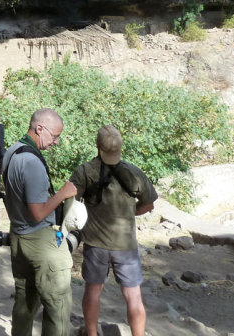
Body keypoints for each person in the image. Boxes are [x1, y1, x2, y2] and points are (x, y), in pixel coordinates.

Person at [69, 125, 158, 336]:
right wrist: (130, 212)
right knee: (133, 296)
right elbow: (149, 205)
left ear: (97, 146)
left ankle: (91, 334)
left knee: (93, 291)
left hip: (95, 244)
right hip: (125, 246)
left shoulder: (85, 171)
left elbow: (71, 202)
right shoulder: (134, 173)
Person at [1, 108, 78, 336]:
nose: (55, 142)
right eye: (54, 136)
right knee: (58, 306)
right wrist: (63, 193)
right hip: (40, 240)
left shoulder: (12, 151)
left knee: (25, 302)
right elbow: (37, 213)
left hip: (19, 236)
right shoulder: (32, 163)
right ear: (39, 128)